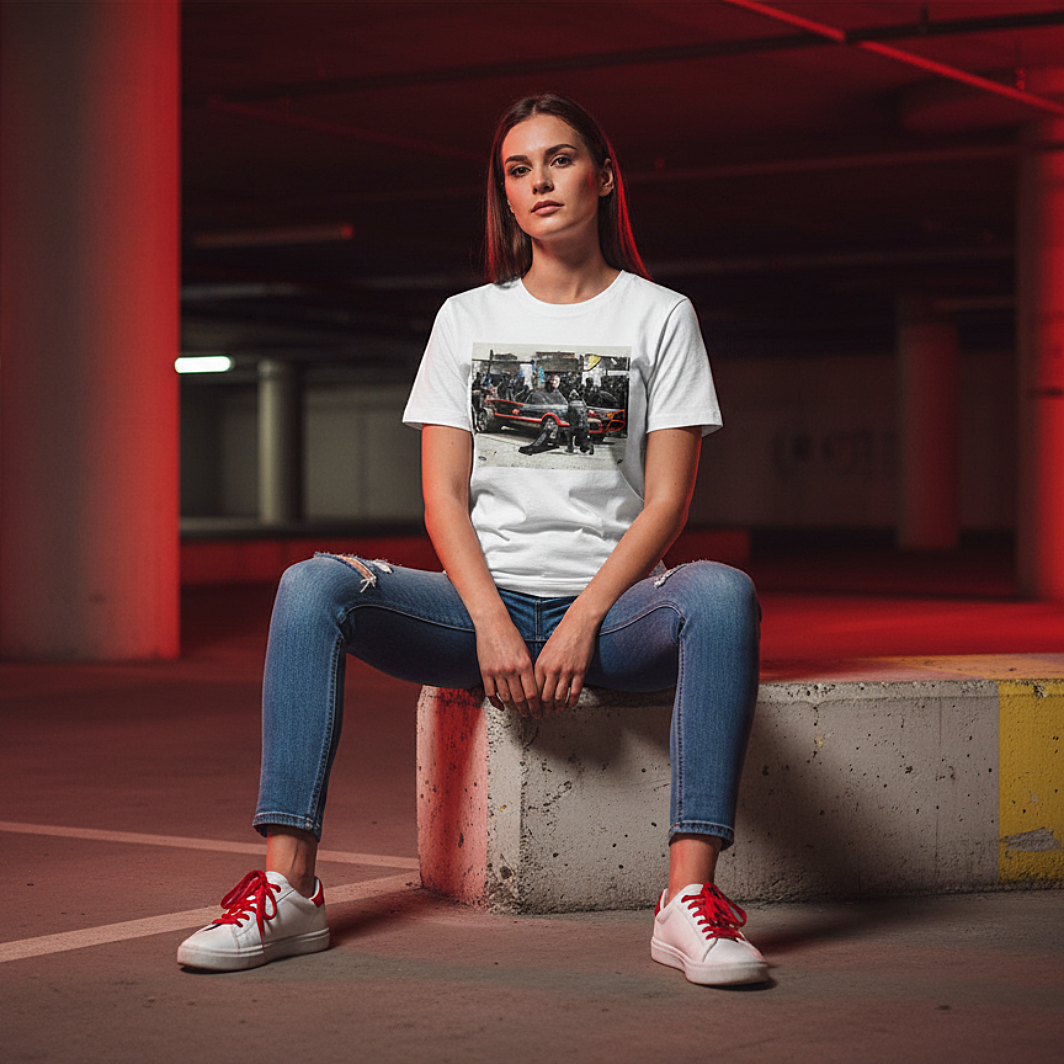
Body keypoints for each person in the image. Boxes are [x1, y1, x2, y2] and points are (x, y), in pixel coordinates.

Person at [177, 93, 767, 986]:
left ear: (605, 177)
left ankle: (689, 902)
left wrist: (581, 621)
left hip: (610, 619)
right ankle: (287, 887)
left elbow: (666, 507)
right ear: (505, 191)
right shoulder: (466, 320)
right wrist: (491, 622)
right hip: (477, 610)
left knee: (721, 591)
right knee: (313, 585)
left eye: (560, 160)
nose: (540, 183)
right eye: (518, 169)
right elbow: (444, 497)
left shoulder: (659, 317)